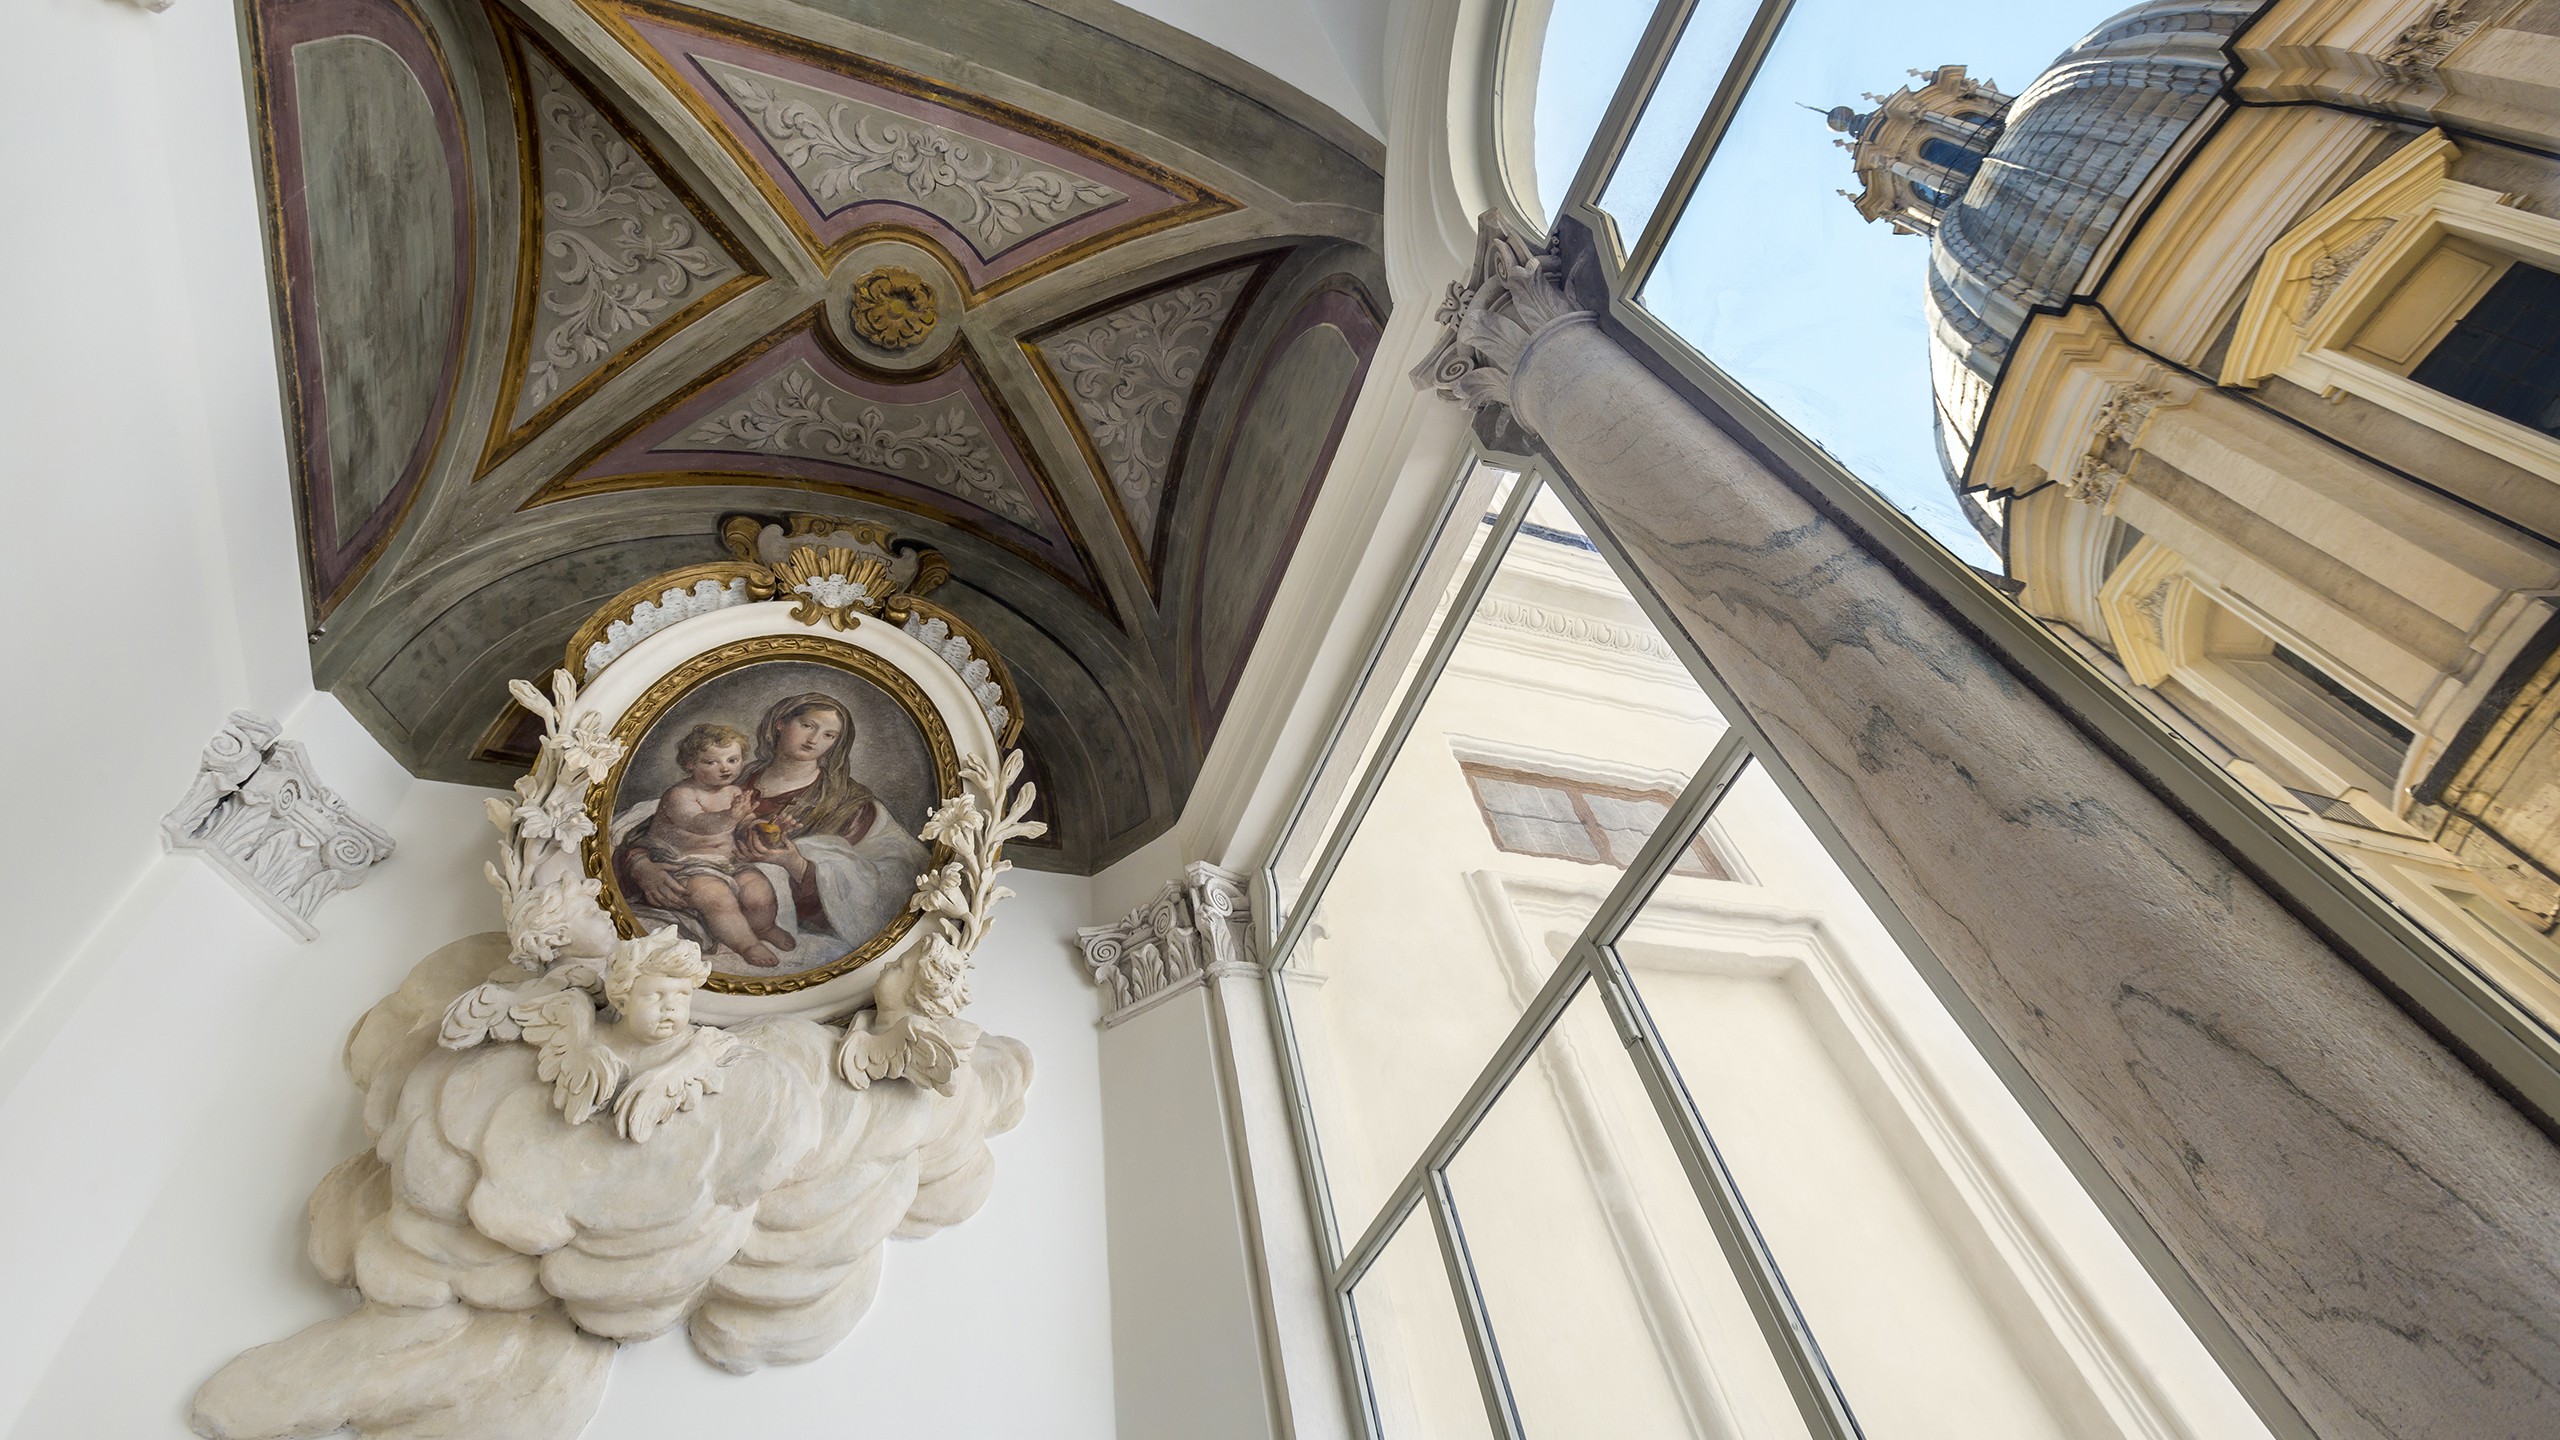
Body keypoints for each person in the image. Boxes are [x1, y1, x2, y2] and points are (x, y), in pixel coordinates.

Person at [620, 692, 927, 969]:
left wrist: (795, 863)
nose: (814, 740)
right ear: (781, 723)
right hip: (695, 884)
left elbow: (887, 885)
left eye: (829, 735)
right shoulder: (733, 774)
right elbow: (662, 828)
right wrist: (641, 865)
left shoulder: (849, 804)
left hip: (779, 915)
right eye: (807, 725)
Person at [640, 723, 794, 969]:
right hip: (686, 865)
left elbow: (746, 823)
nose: (725, 768)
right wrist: (731, 816)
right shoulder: (681, 794)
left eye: (733, 760)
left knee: (759, 891)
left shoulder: (734, 792)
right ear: (690, 764)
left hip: (728, 861)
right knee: (718, 899)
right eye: (711, 762)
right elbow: (697, 823)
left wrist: (769, 828)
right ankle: (746, 944)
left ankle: (764, 927)